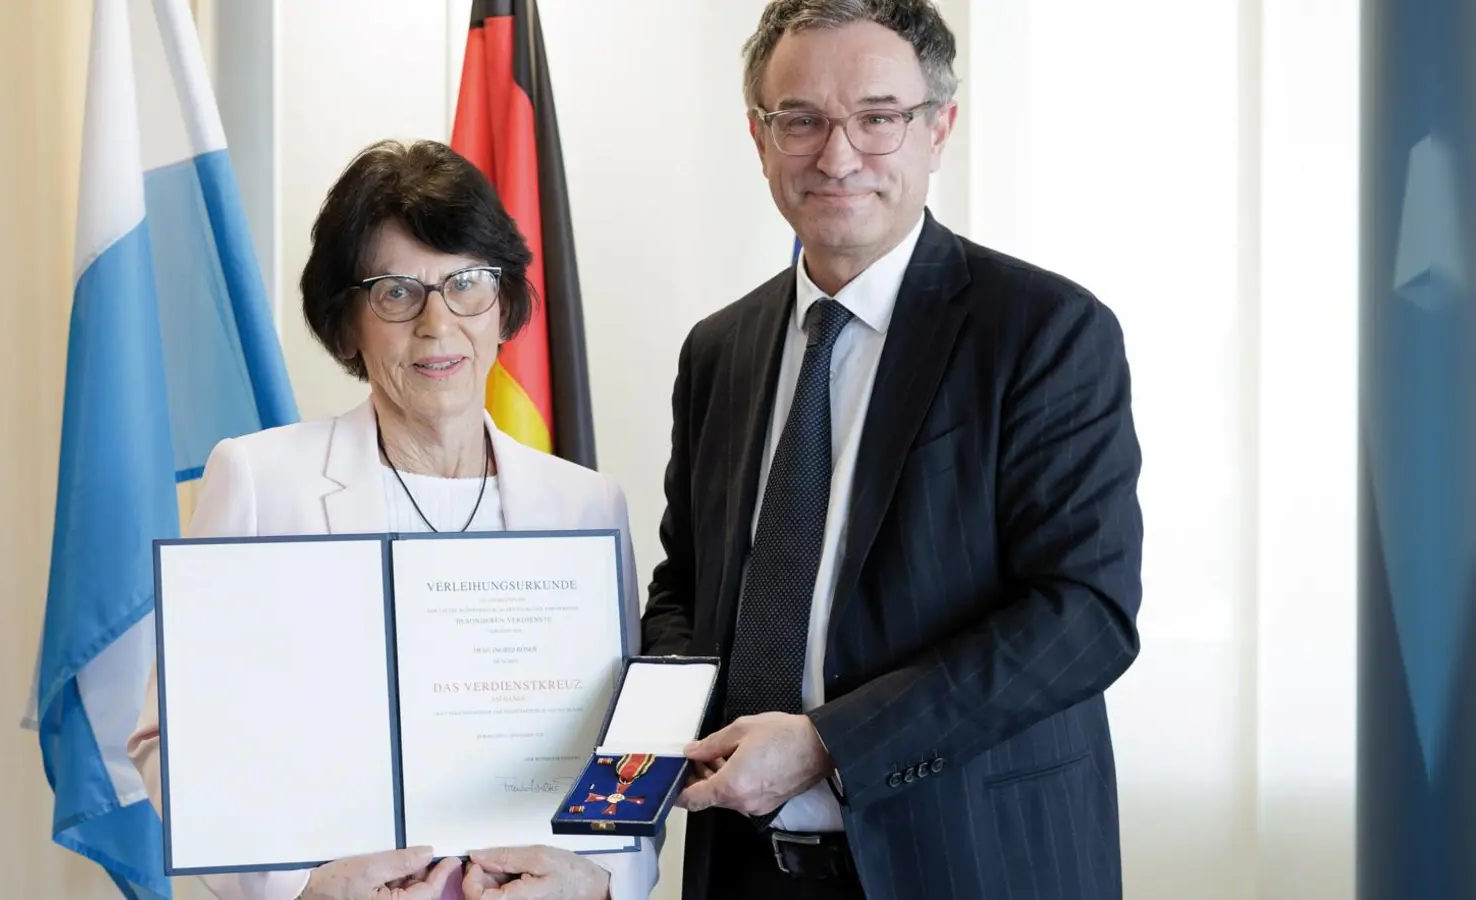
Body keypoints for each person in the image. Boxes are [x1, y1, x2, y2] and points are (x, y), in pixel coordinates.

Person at [640, 2, 1145, 898]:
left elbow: (1083, 615)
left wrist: (830, 743)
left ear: (938, 129)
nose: (838, 156)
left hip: (968, 859)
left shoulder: (1043, 330)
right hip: (745, 866)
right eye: (801, 120)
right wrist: (656, 738)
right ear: (759, 137)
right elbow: (685, 586)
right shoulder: (717, 349)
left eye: (877, 117)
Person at [125, 139, 659, 900]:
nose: (437, 325)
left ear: (503, 305)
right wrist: (297, 887)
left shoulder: (587, 503)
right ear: (347, 325)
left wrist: (602, 881)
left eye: (465, 285)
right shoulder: (260, 481)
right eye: (396, 292)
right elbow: (165, 742)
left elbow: (624, 754)